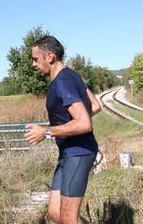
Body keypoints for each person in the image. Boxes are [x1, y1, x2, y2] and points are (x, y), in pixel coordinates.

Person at [24, 35, 101, 224]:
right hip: (67, 153)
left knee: (68, 218)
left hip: (79, 153)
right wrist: (69, 123)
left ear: (49, 57)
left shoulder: (62, 82)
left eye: (35, 59)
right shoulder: (71, 75)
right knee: (55, 213)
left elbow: (84, 123)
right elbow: (95, 105)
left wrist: (47, 131)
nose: (33, 64)